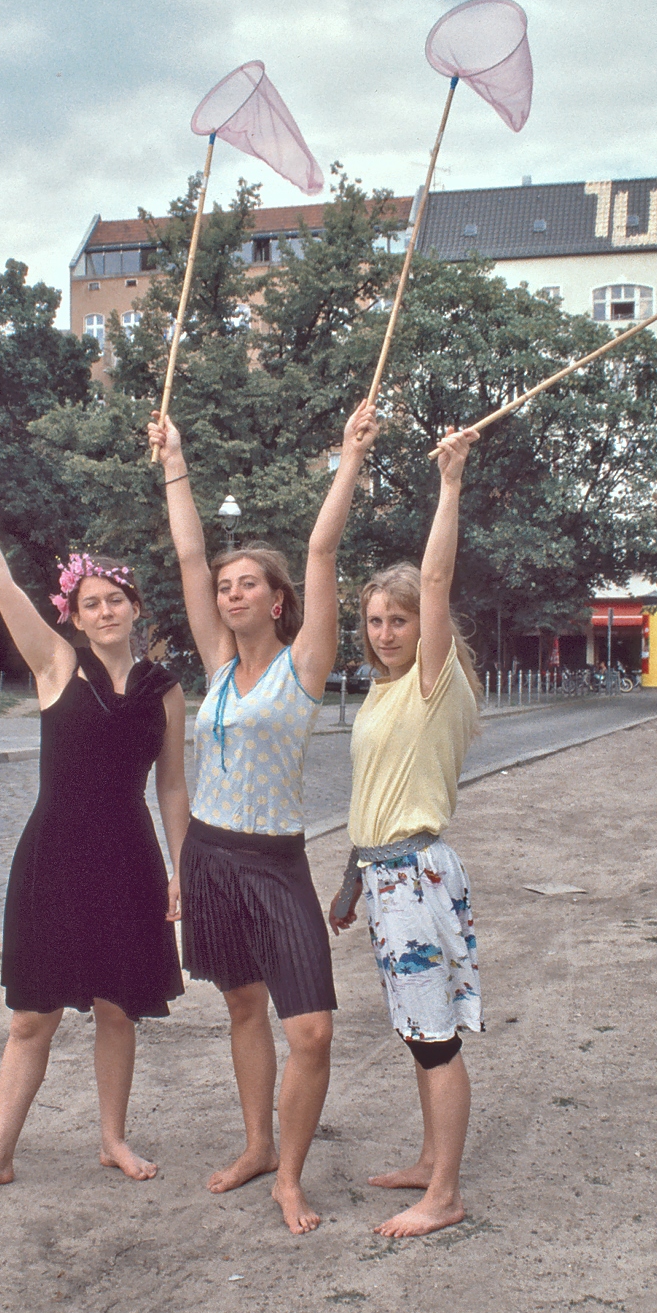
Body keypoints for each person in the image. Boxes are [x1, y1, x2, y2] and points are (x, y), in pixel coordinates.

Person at [148, 399, 378, 1235]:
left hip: (276, 863)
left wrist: (348, 457)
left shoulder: (302, 668)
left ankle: (291, 1174)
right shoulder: (214, 667)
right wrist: (172, 456)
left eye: (247, 584)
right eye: (224, 587)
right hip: (209, 854)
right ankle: (256, 1146)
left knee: (310, 1029)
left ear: (278, 602)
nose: (229, 590)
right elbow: (186, 550)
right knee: (242, 1007)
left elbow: (320, 549)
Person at [0, 454, 188, 1193]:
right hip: (54, 855)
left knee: (116, 1008)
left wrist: (181, 867)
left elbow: (171, 786)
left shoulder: (163, 690)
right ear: (72, 615)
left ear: (136, 608)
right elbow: (0, 585)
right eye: (92, 603)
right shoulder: (55, 665)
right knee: (31, 1017)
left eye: (117, 600)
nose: (105, 611)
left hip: (129, 859)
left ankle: (112, 1138)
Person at [328, 426, 483, 1238]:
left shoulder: (431, 677)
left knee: (436, 1036)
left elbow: (435, 575)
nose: (386, 630)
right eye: (375, 620)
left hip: (417, 877)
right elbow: (372, 795)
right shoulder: (383, 691)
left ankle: (445, 1194)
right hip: (384, 878)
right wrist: (350, 883)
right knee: (417, 1030)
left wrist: (449, 484)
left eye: (399, 619)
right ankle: (430, 1161)